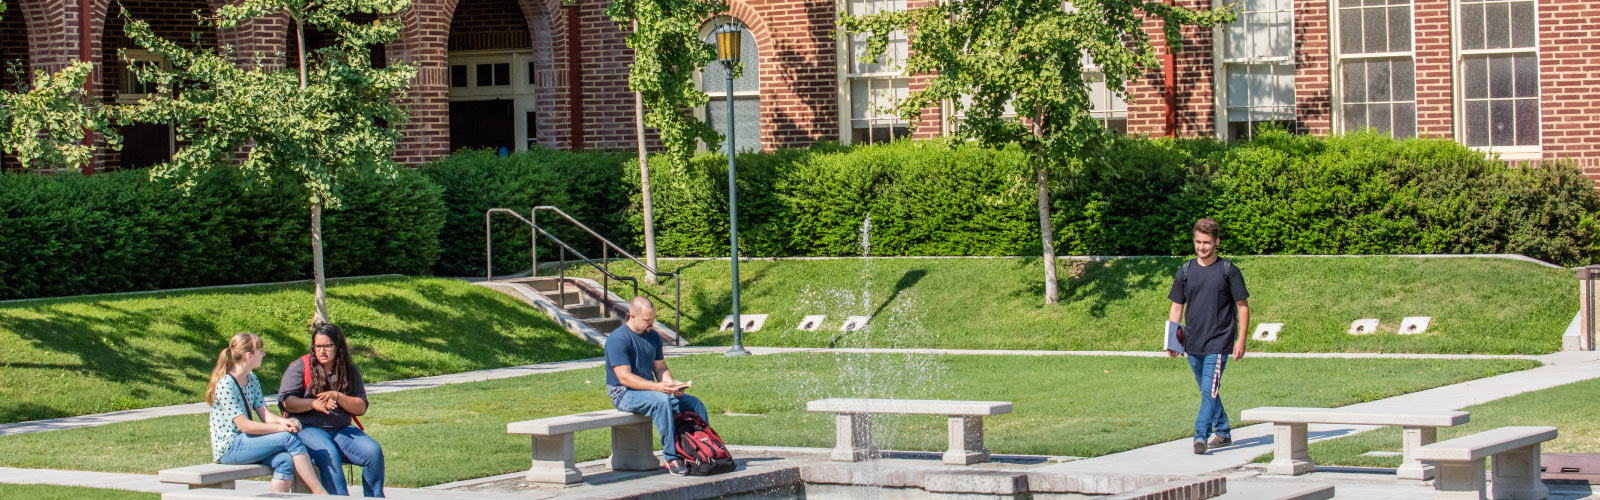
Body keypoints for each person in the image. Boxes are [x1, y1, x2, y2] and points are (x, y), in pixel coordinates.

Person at [1166, 218, 1251, 455]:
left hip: (1219, 342)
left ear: (1217, 242)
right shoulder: (1185, 271)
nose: (1201, 247)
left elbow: (1242, 306)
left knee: (1209, 391)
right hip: (1193, 342)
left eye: (1206, 242)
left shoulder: (1229, 271)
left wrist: (1241, 340)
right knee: (1208, 391)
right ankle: (1223, 431)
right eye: (1197, 242)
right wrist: (1173, 341)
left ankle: (1200, 435)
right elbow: (1176, 307)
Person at [206, 332, 327, 494]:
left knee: (285, 461)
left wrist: (283, 422)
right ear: (249, 356)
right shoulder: (226, 385)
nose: (263, 354)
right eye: (260, 351)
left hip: (245, 442)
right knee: (288, 438)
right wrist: (281, 429)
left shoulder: (252, 379)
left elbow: (264, 414)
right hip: (229, 448)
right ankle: (319, 491)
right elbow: (245, 426)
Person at [605, 296, 709, 476]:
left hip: (649, 391)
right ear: (632, 316)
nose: (651, 324)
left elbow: (660, 368)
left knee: (694, 404)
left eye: (653, 320)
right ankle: (672, 458)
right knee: (661, 401)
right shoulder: (618, 339)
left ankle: (703, 449)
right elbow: (625, 378)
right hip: (624, 394)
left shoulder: (653, 336)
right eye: (647, 321)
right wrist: (659, 388)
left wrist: (672, 384)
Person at [279, 323, 385, 497]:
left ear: (338, 347)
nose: (322, 351)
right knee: (329, 454)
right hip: (307, 428)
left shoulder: (348, 369)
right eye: (318, 346)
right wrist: (313, 404)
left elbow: (361, 407)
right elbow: (287, 402)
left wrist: (337, 396)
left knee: (373, 453)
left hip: (340, 429)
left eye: (327, 346)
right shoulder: (301, 366)